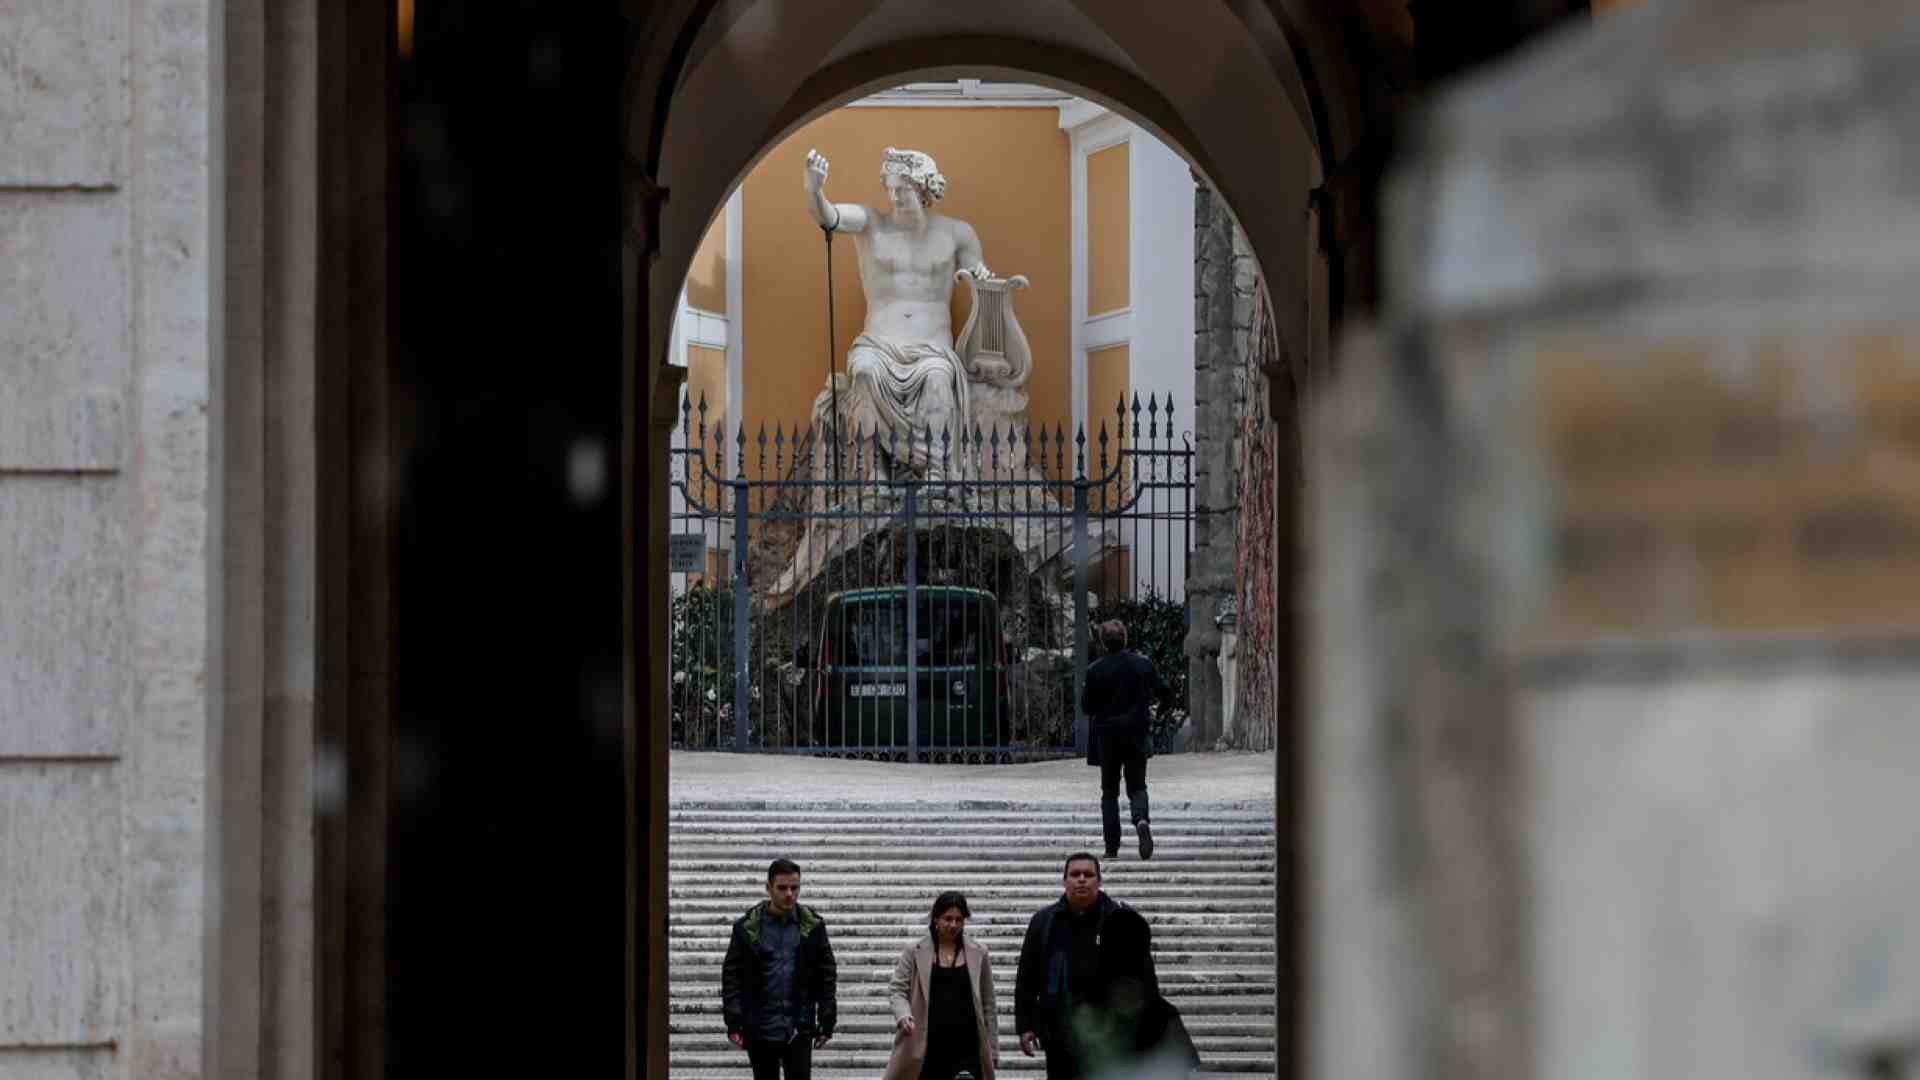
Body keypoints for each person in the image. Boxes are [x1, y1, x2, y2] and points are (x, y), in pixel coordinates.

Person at [802, 146, 990, 482]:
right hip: (878, 344)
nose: (894, 197)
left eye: (902, 189)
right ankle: (872, 473)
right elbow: (828, 217)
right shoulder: (871, 223)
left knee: (936, 380)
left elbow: (980, 278)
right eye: (889, 188)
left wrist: (980, 276)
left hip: (932, 348)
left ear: (923, 188)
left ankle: (935, 471)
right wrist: (814, 188)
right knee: (864, 373)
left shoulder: (956, 233)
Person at [1015, 853, 1193, 1080]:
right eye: (1075, 874)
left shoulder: (1120, 920)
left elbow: (1145, 978)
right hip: (1060, 1034)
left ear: (1099, 881)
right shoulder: (1044, 922)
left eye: (1088, 875)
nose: (1081, 880)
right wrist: (1025, 1025)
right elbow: (1027, 977)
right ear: (1064, 881)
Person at [722, 858, 838, 1079]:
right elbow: (732, 976)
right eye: (782, 888)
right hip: (760, 1027)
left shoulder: (813, 926)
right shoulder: (746, 928)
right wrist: (734, 1022)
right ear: (768, 888)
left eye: (795, 888)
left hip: (798, 1026)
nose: (789, 894)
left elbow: (826, 975)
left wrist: (826, 1020)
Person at [1079, 619, 1172, 860]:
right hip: (1136, 732)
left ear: (1103, 642)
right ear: (1125, 639)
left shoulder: (1094, 670)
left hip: (1107, 736)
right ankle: (1141, 819)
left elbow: (1087, 707)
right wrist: (1157, 713)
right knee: (1137, 784)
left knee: (1109, 791)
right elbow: (1165, 691)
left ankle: (1111, 847)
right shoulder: (1143, 664)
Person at [884, 891, 1000, 1080]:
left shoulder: (979, 952)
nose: (953, 925)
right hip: (927, 1045)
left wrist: (992, 1048)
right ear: (936, 918)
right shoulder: (914, 951)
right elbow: (898, 990)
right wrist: (903, 1015)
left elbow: (988, 1003)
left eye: (959, 920)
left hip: (968, 1047)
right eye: (948, 919)